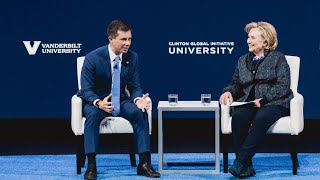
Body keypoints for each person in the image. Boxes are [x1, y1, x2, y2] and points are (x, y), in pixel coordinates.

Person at [77, 20, 160, 179]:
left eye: (129, 39)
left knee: (139, 113)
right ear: (111, 39)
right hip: (97, 103)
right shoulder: (93, 58)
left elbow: (135, 86)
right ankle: (92, 166)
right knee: (92, 116)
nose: (127, 43)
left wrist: (137, 100)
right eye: (123, 39)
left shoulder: (132, 57)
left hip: (121, 101)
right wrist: (98, 103)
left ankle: (144, 164)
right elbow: (85, 89)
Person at [219, 21, 293, 178]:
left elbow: (283, 85)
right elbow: (236, 83)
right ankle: (246, 166)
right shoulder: (242, 60)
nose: (248, 40)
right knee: (238, 117)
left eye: (252, 37)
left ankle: (240, 161)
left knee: (261, 118)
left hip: (274, 103)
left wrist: (264, 100)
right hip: (249, 102)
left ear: (265, 41)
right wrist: (228, 92)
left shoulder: (278, 58)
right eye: (248, 37)